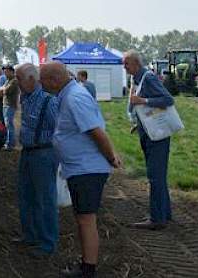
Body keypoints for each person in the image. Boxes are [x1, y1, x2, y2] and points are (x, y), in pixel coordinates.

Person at [42, 62, 122, 278]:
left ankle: (88, 269)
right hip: (80, 167)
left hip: (87, 169)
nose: (42, 85)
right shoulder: (68, 95)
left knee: (86, 219)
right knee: (83, 218)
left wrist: (111, 157)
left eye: (43, 81)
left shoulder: (75, 97)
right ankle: (87, 264)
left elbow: (96, 132)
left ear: (54, 80)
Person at [124, 50, 175, 229]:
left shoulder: (149, 78)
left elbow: (168, 100)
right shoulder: (137, 79)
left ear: (136, 64)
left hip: (157, 137)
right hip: (149, 133)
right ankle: (165, 213)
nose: (124, 67)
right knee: (158, 176)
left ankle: (157, 219)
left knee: (155, 177)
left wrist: (143, 100)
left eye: (126, 64)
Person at [15, 62, 60, 256]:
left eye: (19, 79)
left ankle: (47, 242)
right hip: (28, 152)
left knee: (45, 199)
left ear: (32, 79)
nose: (17, 83)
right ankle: (30, 235)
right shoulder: (26, 97)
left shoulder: (48, 101)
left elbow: (59, 128)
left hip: (43, 153)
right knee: (26, 195)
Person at [0, 65, 20, 148]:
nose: (5, 73)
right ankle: (9, 142)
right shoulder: (8, 80)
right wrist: (2, 89)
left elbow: (5, 90)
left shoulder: (14, 81)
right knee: (7, 124)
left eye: (6, 71)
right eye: (4, 72)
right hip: (6, 104)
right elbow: (2, 89)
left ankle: (10, 143)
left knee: (9, 125)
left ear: (12, 71)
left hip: (10, 105)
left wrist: (2, 89)